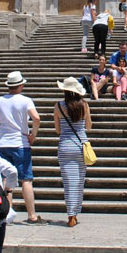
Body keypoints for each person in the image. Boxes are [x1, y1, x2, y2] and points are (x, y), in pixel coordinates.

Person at [0, 71, 43, 224]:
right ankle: (32, 215)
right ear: (21, 86)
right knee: (26, 180)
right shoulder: (25, 100)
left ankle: (6, 214)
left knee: (6, 179)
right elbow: (37, 118)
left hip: (3, 143)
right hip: (20, 143)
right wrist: (32, 135)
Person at [54, 77, 92, 227]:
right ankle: (75, 212)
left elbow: (58, 130)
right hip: (81, 146)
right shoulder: (84, 105)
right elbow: (88, 126)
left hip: (65, 146)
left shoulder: (58, 106)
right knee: (79, 181)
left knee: (68, 182)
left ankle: (71, 214)